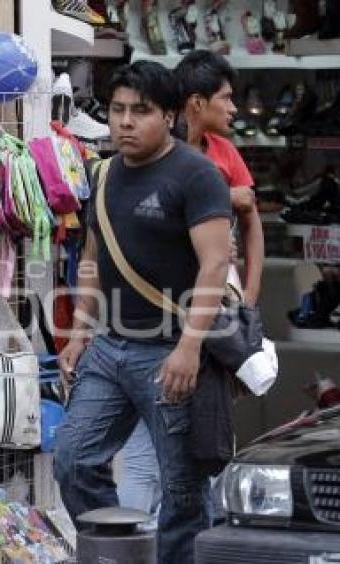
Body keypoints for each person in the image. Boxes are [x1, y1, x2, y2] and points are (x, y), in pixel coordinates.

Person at [54, 61, 232, 564]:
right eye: (117, 110)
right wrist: (78, 333)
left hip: (170, 350)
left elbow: (217, 262)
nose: (125, 122)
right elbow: (91, 260)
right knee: (72, 460)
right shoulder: (104, 172)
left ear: (172, 115)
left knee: (182, 492)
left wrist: (189, 348)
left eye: (141, 111)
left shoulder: (197, 175)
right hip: (110, 346)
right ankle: (122, 553)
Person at [116, 49, 265, 521]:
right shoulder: (152, 155)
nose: (234, 108)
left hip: (211, 307)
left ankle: (198, 539)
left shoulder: (222, 154)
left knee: (208, 432)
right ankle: (136, 544)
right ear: (195, 103)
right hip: (152, 319)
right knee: (147, 451)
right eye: (225, 98)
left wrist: (250, 301)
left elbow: (249, 223)